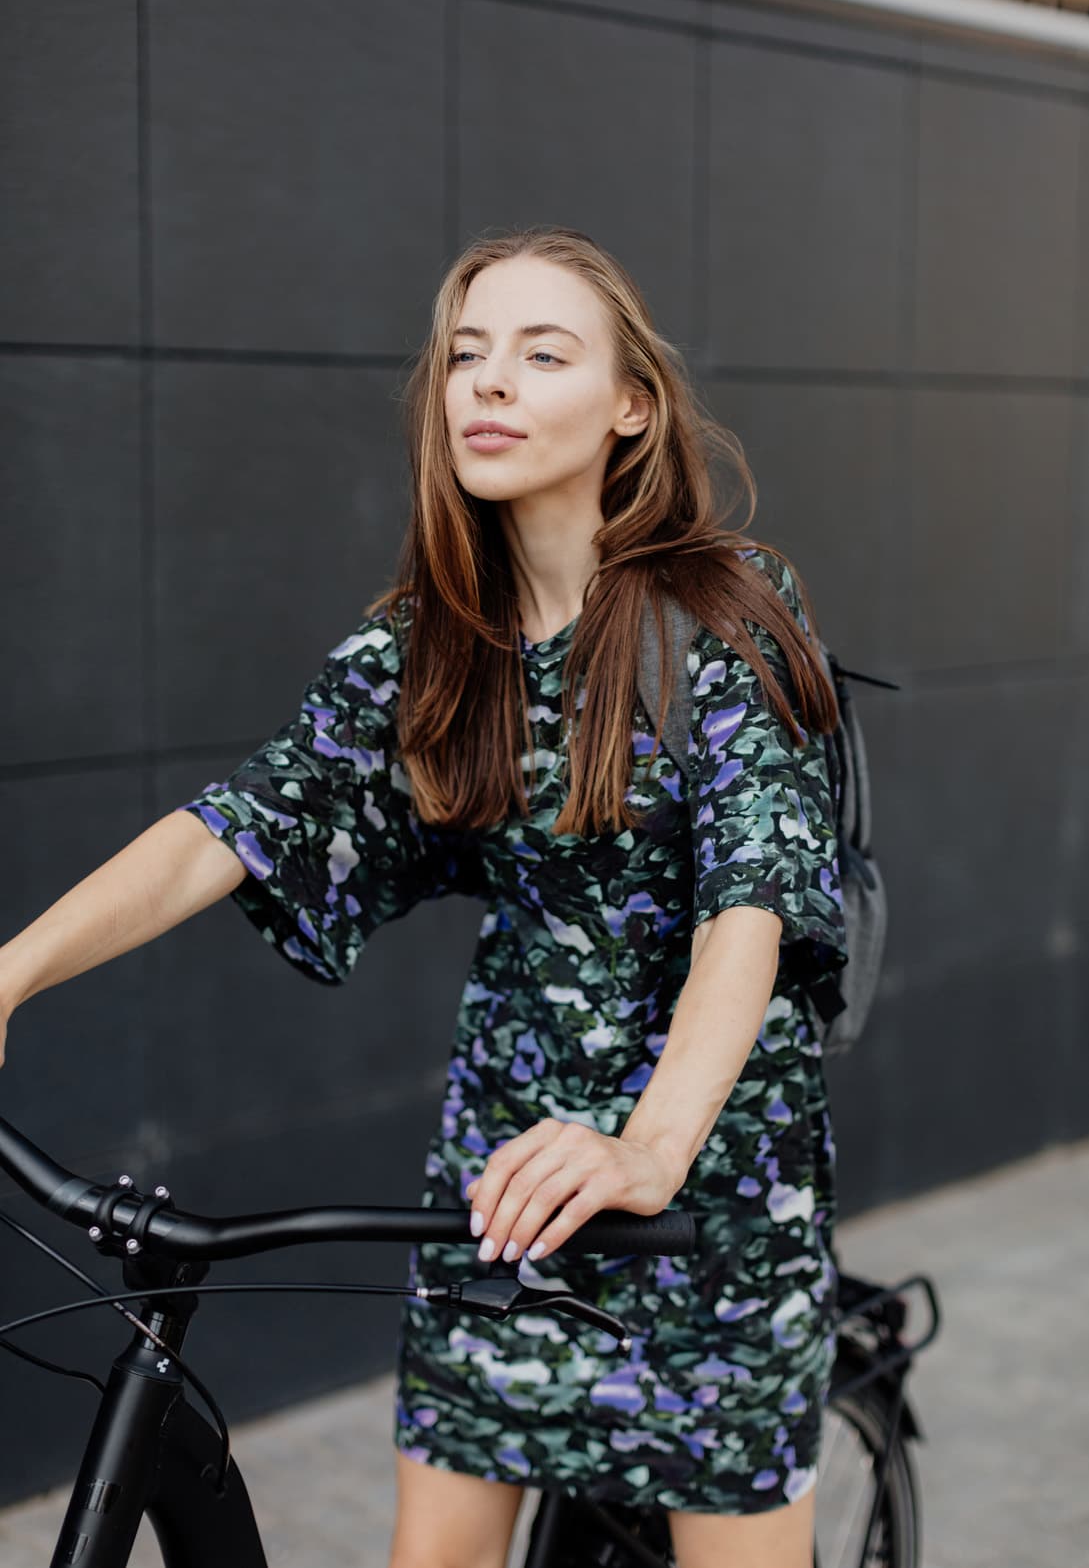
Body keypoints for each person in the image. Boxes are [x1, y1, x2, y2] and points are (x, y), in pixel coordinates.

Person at [0, 225, 847, 1568]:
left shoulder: (728, 613)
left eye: (539, 352)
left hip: (713, 1189)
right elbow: (237, 822)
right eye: (465, 354)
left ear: (631, 405)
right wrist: (9, 972)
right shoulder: (426, 643)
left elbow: (747, 903)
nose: (486, 383)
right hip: (504, 1178)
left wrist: (650, 1146)